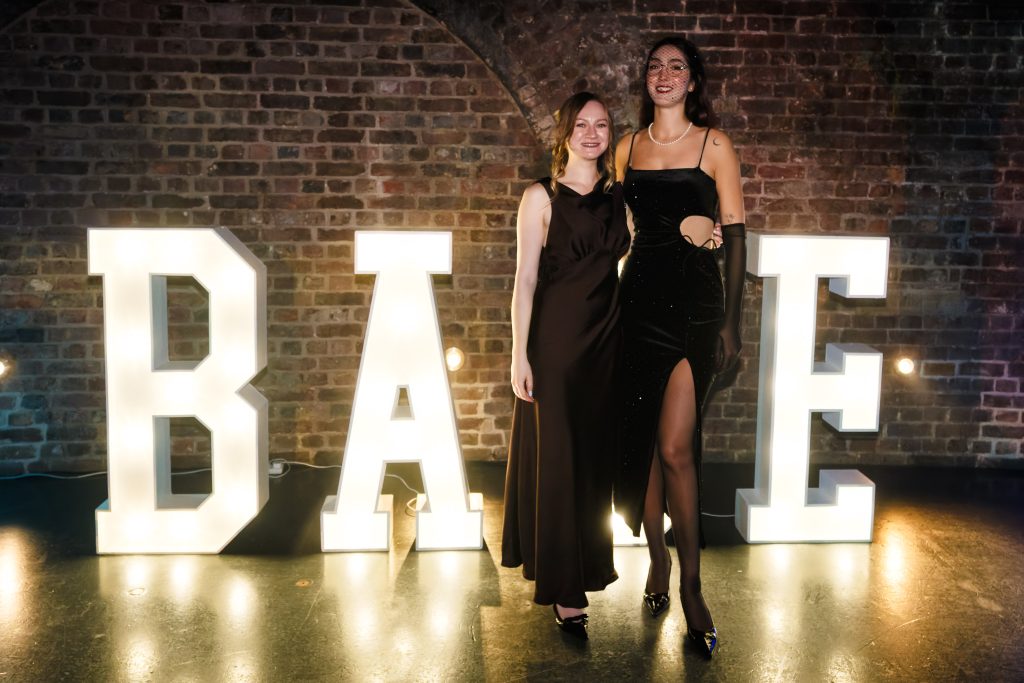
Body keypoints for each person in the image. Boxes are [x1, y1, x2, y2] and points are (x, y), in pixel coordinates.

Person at [613, 36, 746, 658]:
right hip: (636, 306)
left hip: (695, 310)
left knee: (675, 449)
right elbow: (618, 228)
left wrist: (732, 324)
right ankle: (657, 560)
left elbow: (737, 237)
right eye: (655, 66)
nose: (663, 75)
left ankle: (692, 587)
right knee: (644, 447)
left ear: (692, 81)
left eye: (677, 67)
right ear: (646, 80)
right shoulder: (625, 148)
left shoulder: (714, 145)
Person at [501, 91, 630, 640]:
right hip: (555, 346)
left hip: (606, 345)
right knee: (558, 461)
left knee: (592, 464)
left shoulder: (621, 199)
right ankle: (564, 590)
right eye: (582, 125)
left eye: (601, 125)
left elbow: (639, 262)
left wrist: (702, 234)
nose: (592, 134)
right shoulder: (541, 196)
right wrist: (519, 353)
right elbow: (525, 281)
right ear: (565, 134)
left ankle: (588, 567)